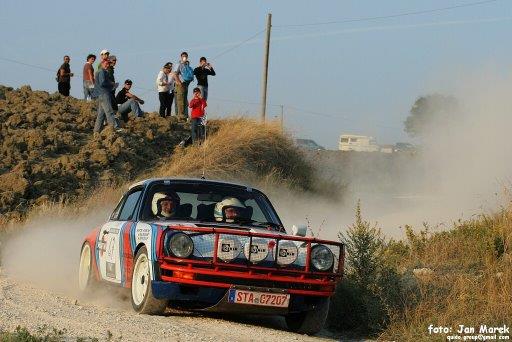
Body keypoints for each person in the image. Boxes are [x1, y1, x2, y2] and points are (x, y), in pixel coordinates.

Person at [93, 58, 120, 133]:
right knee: (109, 111)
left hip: (100, 94)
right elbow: (102, 83)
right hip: (104, 93)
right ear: (102, 64)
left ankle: (96, 130)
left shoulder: (99, 71)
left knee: (101, 114)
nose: (107, 65)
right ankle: (114, 126)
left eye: (108, 64)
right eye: (106, 63)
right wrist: (112, 84)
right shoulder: (102, 71)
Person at [174, 52, 194, 120]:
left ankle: (185, 115)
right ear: (181, 57)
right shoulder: (178, 64)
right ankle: (180, 116)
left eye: (185, 56)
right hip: (180, 85)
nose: (184, 57)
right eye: (183, 56)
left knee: (185, 100)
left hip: (186, 84)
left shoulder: (187, 65)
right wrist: (179, 82)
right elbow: (175, 74)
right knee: (180, 100)